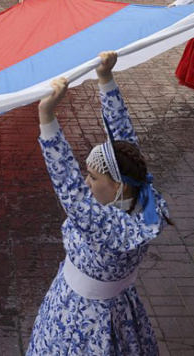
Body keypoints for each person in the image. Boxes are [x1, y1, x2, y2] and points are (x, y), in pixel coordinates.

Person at [27, 52, 169, 355]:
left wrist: (47, 117)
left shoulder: (107, 227)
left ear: (118, 185)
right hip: (120, 308)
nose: (87, 182)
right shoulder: (145, 198)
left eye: (93, 177)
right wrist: (105, 79)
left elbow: (68, 186)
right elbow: (126, 143)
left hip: (82, 317)